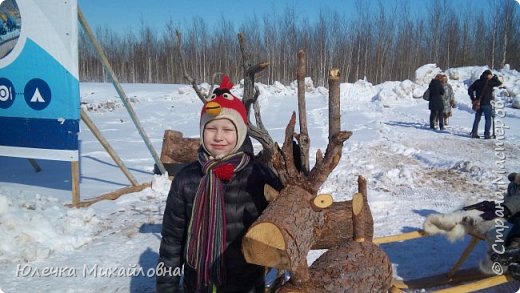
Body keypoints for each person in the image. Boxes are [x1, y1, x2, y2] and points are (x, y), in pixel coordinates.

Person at [156, 75, 283, 293]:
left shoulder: (259, 176)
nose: (218, 137)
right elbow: (171, 243)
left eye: (227, 130)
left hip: (246, 285)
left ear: (240, 133)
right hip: (197, 285)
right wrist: (166, 287)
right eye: (211, 128)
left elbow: (282, 223)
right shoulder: (186, 180)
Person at [468, 69, 502, 139]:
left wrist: (473, 98)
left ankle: (474, 133)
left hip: (478, 103)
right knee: (488, 119)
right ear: (489, 75)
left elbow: (470, 89)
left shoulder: (477, 82)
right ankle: (487, 134)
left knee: (477, 118)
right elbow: (499, 83)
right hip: (487, 104)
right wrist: (493, 78)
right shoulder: (490, 82)